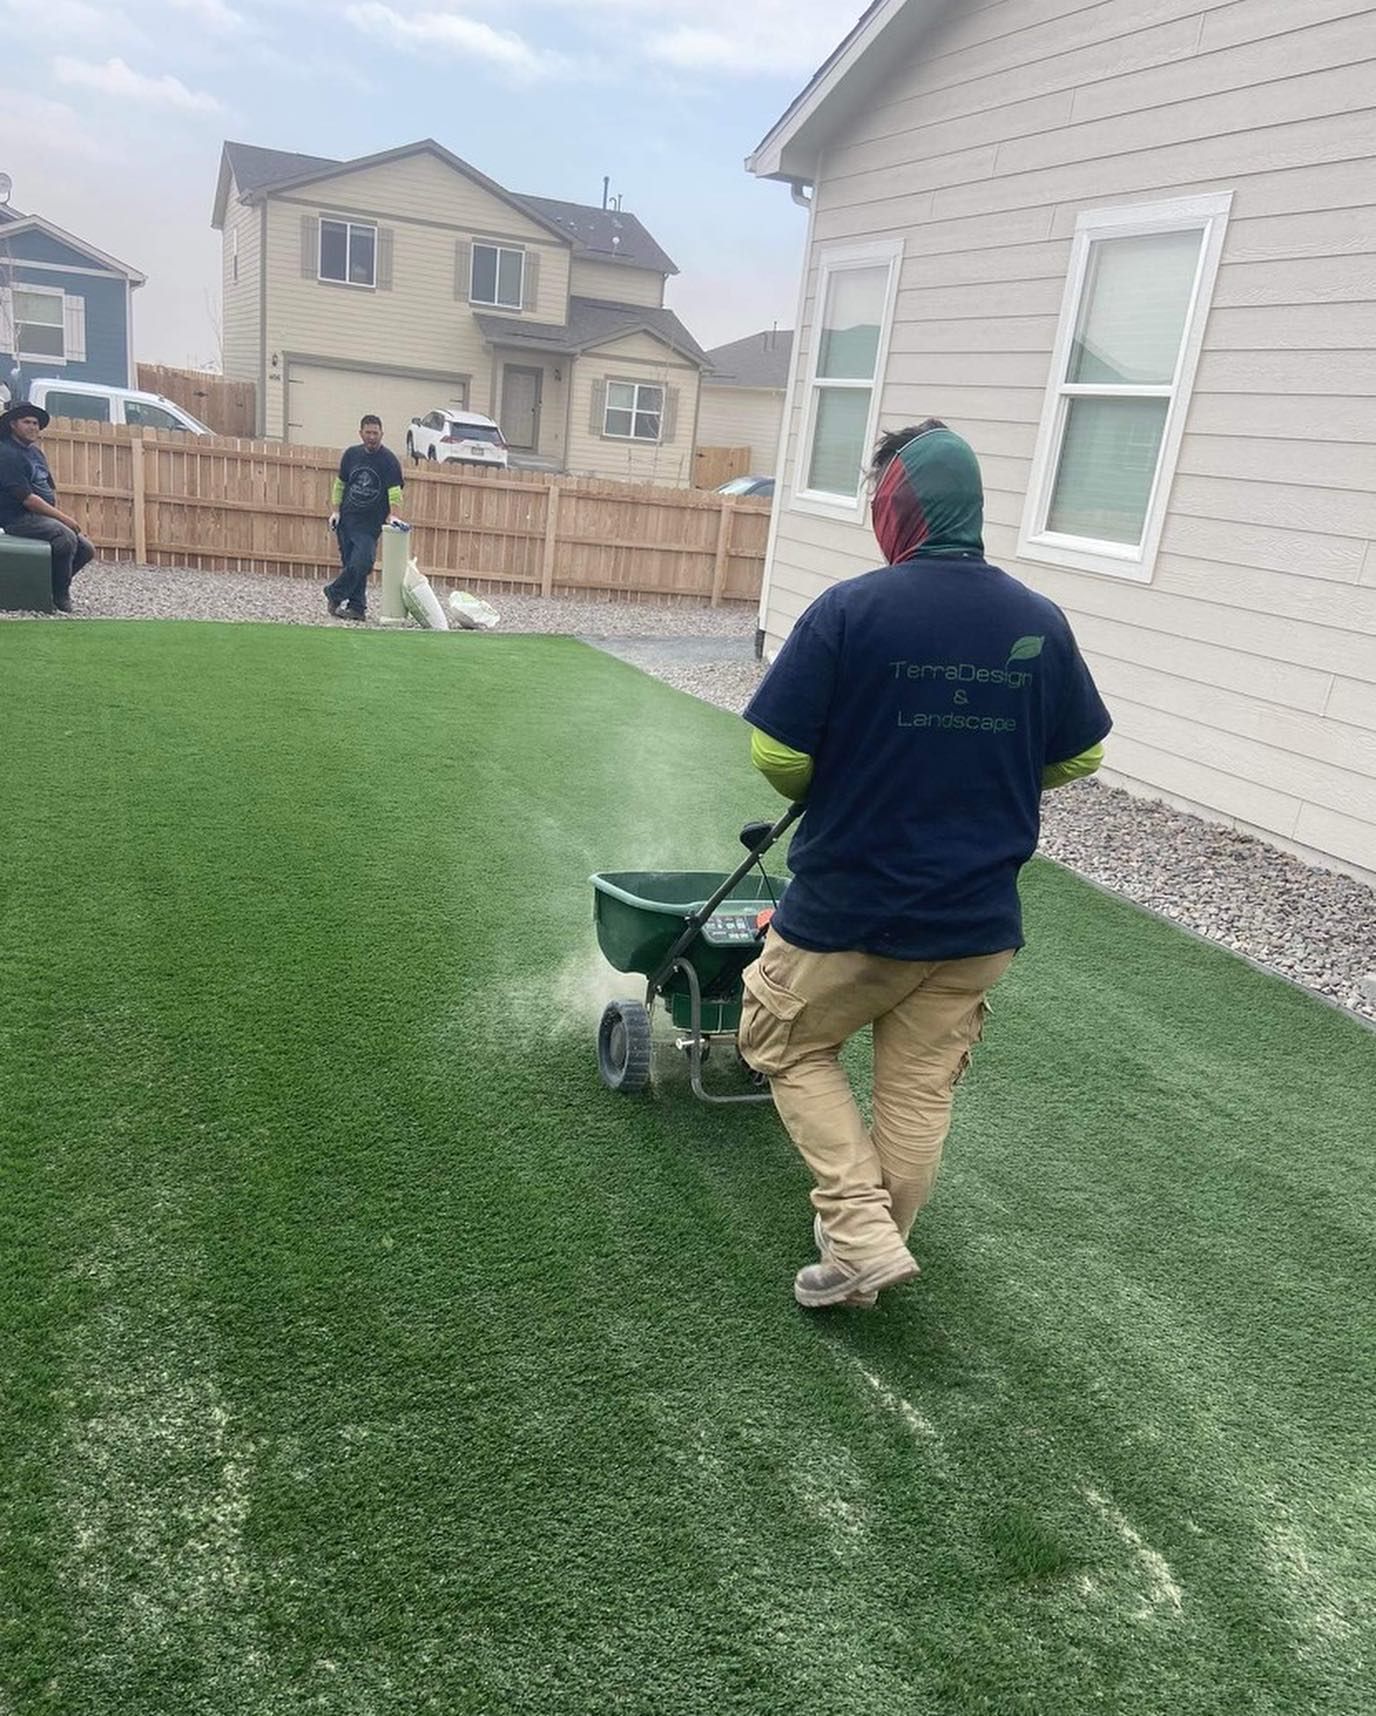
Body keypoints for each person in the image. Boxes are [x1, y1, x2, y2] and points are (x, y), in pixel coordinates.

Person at [739, 420, 1112, 1311]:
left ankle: (858, 1233)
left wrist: (845, 773)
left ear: (896, 507)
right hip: (976, 926)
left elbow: (776, 753)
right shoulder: (1037, 619)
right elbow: (1083, 756)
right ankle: (863, 1254)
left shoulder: (851, 610)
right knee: (916, 1088)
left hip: (854, 915)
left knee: (778, 1037)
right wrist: (995, 770)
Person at [0, 401, 95, 613]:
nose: (33, 427)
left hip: (40, 517)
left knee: (87, 549)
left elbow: (47, 489)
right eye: (27, 422)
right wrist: (64, 518)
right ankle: (61, 596)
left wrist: (56, 516)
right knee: (65, 537)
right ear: (13, 425)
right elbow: (27, 499)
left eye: (36, 423)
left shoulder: (36, 454)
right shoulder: (6, 454)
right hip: (17, 517)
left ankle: (49, 588)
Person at [324, 413, 404, 621]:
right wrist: (335, 511)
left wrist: (393, 516)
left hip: (369, 524)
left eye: (375, 433)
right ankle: (357, 608)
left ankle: (334, 593)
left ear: (382, 434)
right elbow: (340, 485)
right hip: (346, 519)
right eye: (368, 433)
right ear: (361, 433)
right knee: (351, 564)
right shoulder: (351, 455)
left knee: (364, 561)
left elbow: (395, 491)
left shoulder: (389, 461)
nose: (371, 437)